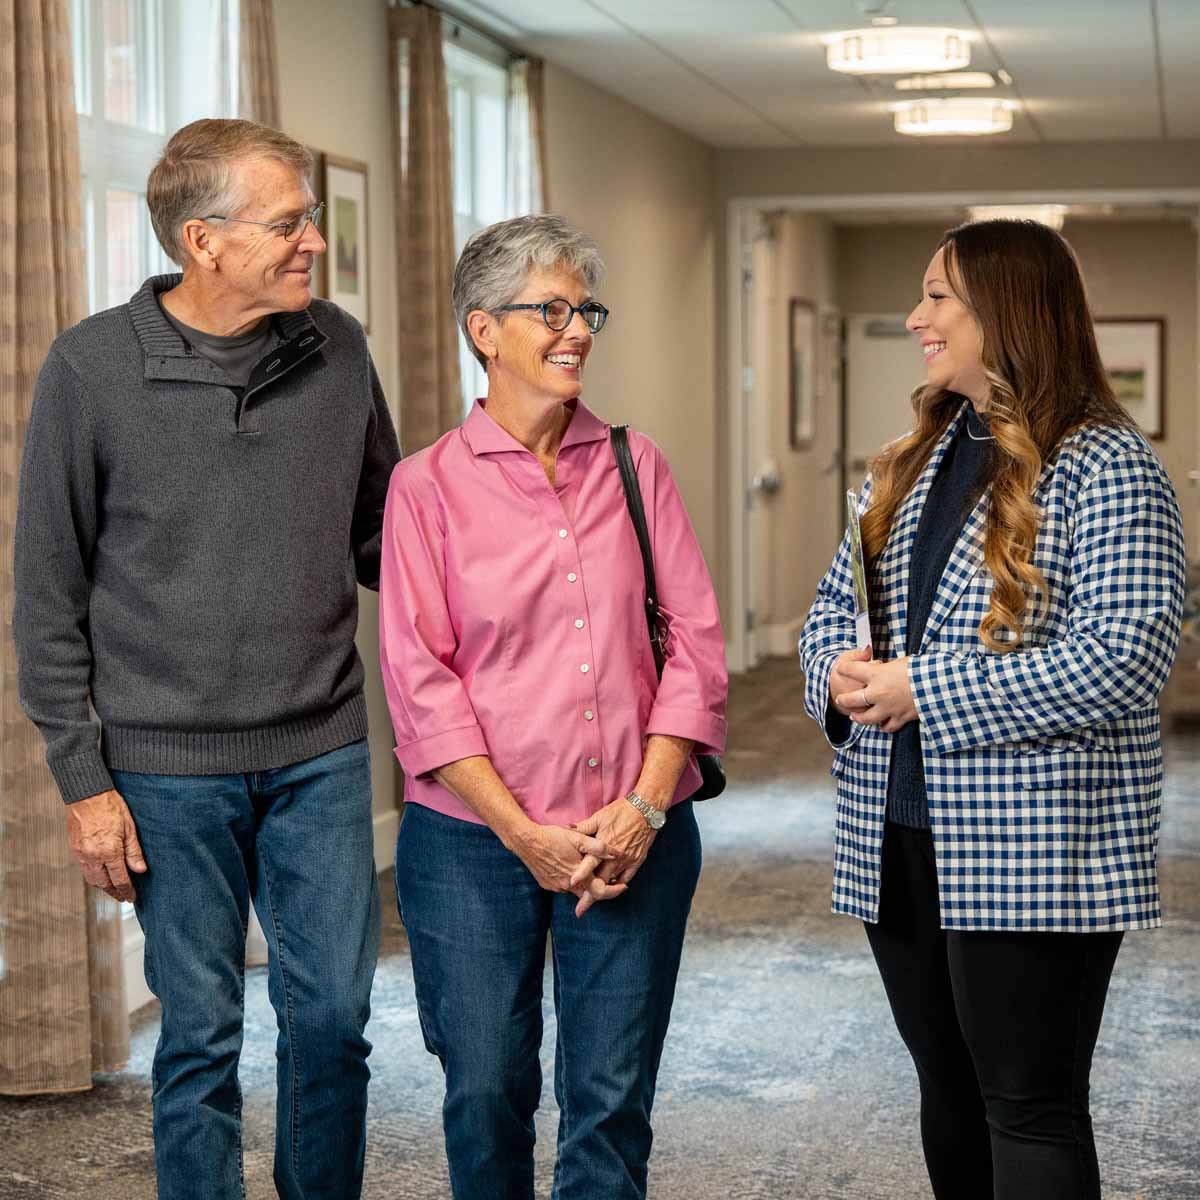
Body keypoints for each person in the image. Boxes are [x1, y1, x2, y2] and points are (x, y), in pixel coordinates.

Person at [13, 119, 400, 1200]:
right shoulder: (91, 369)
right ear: (204, 241)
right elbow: (46, 598)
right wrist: (84, 785)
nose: (312, 243)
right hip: (164, 767)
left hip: (320, 747)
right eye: (289, 223)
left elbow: (388, 539)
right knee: (201, 1034)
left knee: (332, 1018)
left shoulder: (339, 349)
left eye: (310, 220)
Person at [799, 219, 1185, 1200]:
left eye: (939, 297)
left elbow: (1126, 659)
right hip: (897, 828)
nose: (915, 316)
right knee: (947, 1084)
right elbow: (834, 608)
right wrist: (836, 671)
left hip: (1034, 840)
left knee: (1027, 1100)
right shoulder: (913, 458)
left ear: (1006, 312)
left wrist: (923, 687)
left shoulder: (1105, 463)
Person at [379, 213, 727, 1200]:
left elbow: (696, 648)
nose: (577, 330)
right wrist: (522, 831)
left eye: (587, 311)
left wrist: (647, 807)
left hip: (635, 834)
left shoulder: (634, 464)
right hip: (472, 843)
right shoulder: (425, 490)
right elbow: (421, 680)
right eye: (553, 310)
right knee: (485, 1086)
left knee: (611, 1094)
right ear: (484, 330)